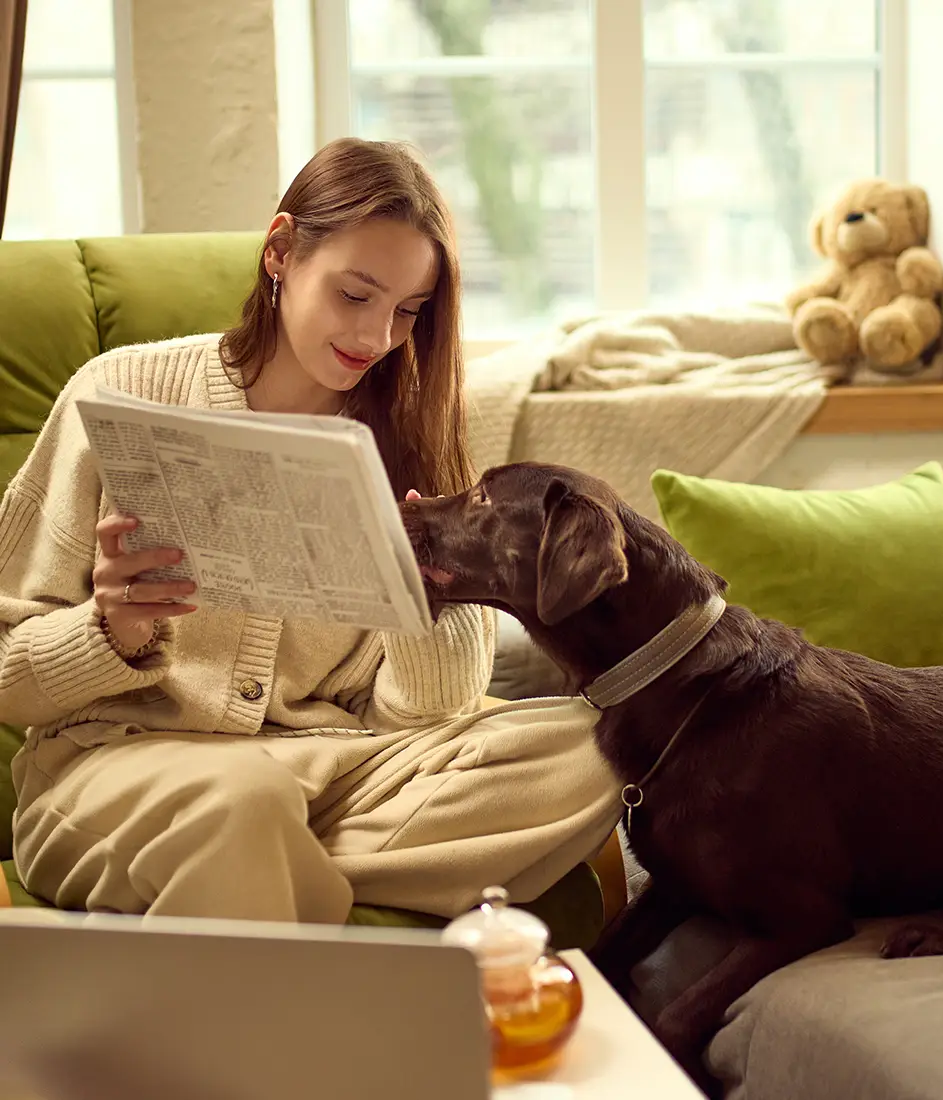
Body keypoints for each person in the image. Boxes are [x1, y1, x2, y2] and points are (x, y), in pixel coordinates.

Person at [0, 137, 621, 922]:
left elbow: (429, 716)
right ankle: (281, 867)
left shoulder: (414, 430)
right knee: (244, 799)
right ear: (282, 251)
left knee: (601, 744)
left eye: (406, 312)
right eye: (355, 295)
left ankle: (252, 861)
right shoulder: (119, 390)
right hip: (113, 767)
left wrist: (422, 591)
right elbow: (6, 676)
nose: (376, 338)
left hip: (337, 769)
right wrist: (107, 631)